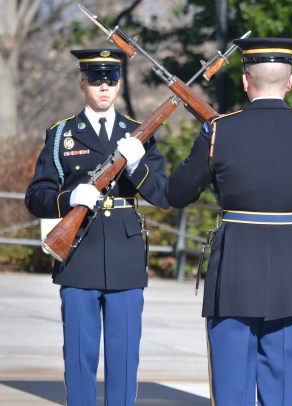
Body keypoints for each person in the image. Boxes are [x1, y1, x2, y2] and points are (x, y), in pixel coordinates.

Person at [166, 37, 292, 405]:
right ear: (289, 82)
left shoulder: (221, 130)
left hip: (235, 270)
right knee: (284, 392)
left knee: (232, 389)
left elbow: (178, 194)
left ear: (245, 81)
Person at [25, 49, 169, 405]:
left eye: (111, 80)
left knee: (123, 359)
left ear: (119, 83)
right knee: (78, 356)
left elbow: (162, 193)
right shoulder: (61, 135)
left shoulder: (138, 133)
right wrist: (70, 197)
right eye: (95, 80)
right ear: (82, 83)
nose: (104, 87)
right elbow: (37, 195)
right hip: (78, 255)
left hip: (124, 254)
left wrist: (136, 166)